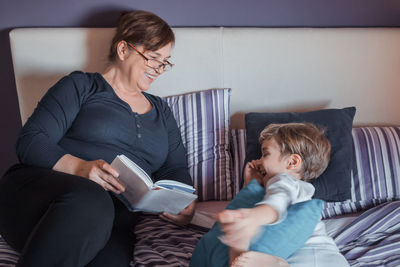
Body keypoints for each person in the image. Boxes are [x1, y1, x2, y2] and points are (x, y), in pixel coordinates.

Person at [0, 10, 196, 267]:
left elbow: (175, 168)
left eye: (164, 62)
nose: (159, 69)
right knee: (92, 200)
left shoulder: (162, 111)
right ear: (124, 49)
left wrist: (183, 204)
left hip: (114, 219)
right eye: (153, 58)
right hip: (43, 198)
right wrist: (80, 168)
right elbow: (31, 140)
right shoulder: (81, 86)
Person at [217, 123, 349, 267]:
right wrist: (250, 184)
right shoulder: (289, 187)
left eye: (265, 154)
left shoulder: (284, 180)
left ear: (292, 162)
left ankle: (277, 263)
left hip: (314, 256)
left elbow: (276, 203)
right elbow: (251, 200)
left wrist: (252, 218)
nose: (259, 162)